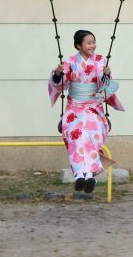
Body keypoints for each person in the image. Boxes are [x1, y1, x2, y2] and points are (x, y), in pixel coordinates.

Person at [48, 29, 123, 194]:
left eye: (93, 42)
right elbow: (60, 83)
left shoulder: (100, 60)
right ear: (78, 45)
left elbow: (105, 86)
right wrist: (58, 73)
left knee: (92, 136)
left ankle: (89, 176)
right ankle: (79, 175)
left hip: (93, 107)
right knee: (76, 136)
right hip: (74, 107)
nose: (92, 46)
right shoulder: (70, 62)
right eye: (88, 43)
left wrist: (106, 75)